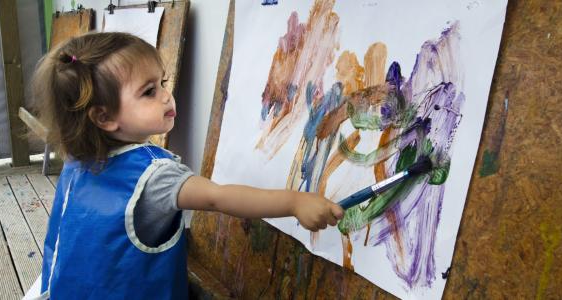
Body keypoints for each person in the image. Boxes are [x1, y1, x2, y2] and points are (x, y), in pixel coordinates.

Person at [31, 32, 343, 299]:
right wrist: (295, 201)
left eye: (162, 82)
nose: (167, 96)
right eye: (149, 92)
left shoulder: (77, 163)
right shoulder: (155, 176)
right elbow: (218, 197)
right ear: (104, 118)